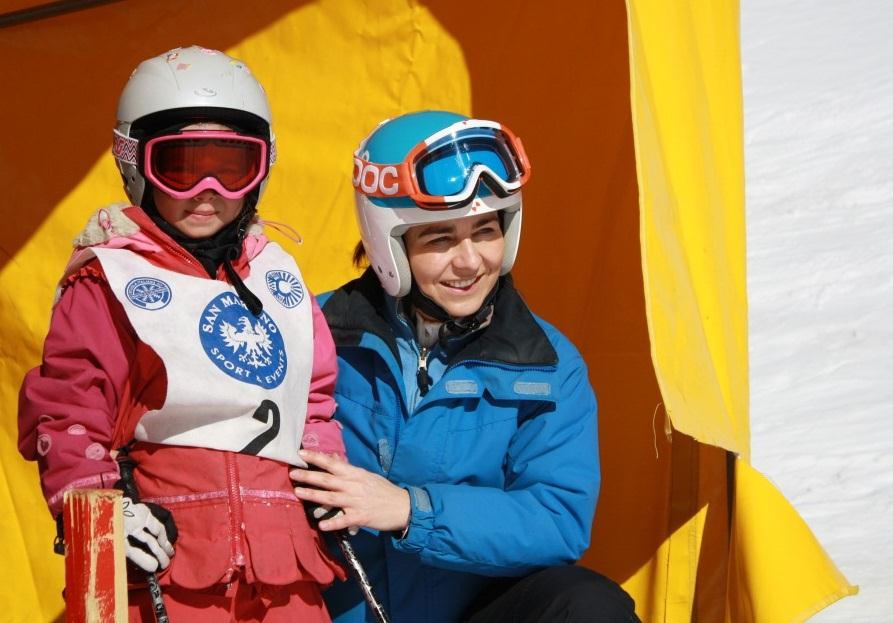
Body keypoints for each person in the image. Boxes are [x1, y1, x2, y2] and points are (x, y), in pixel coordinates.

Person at [18, 46, 346, 621]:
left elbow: (312, 401)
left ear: (262, 169)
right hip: (168, 561)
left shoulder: (277, 276)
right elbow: (69, 408)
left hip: (283, 563)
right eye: (182, 168)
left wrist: (324, 479)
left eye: (232, 167)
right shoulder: (111, 280)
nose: (207, 190)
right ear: (133, 163)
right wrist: (97, 513)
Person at [289, 111, 640, 622]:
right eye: (440, 239)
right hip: (333, 609)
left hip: (471, 612)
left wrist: (411, 510)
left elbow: (557, 518)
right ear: (391, 244)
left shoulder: (547, 366)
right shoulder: (309, 334)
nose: (471, 261)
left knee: (586, 606)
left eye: (485, 230)